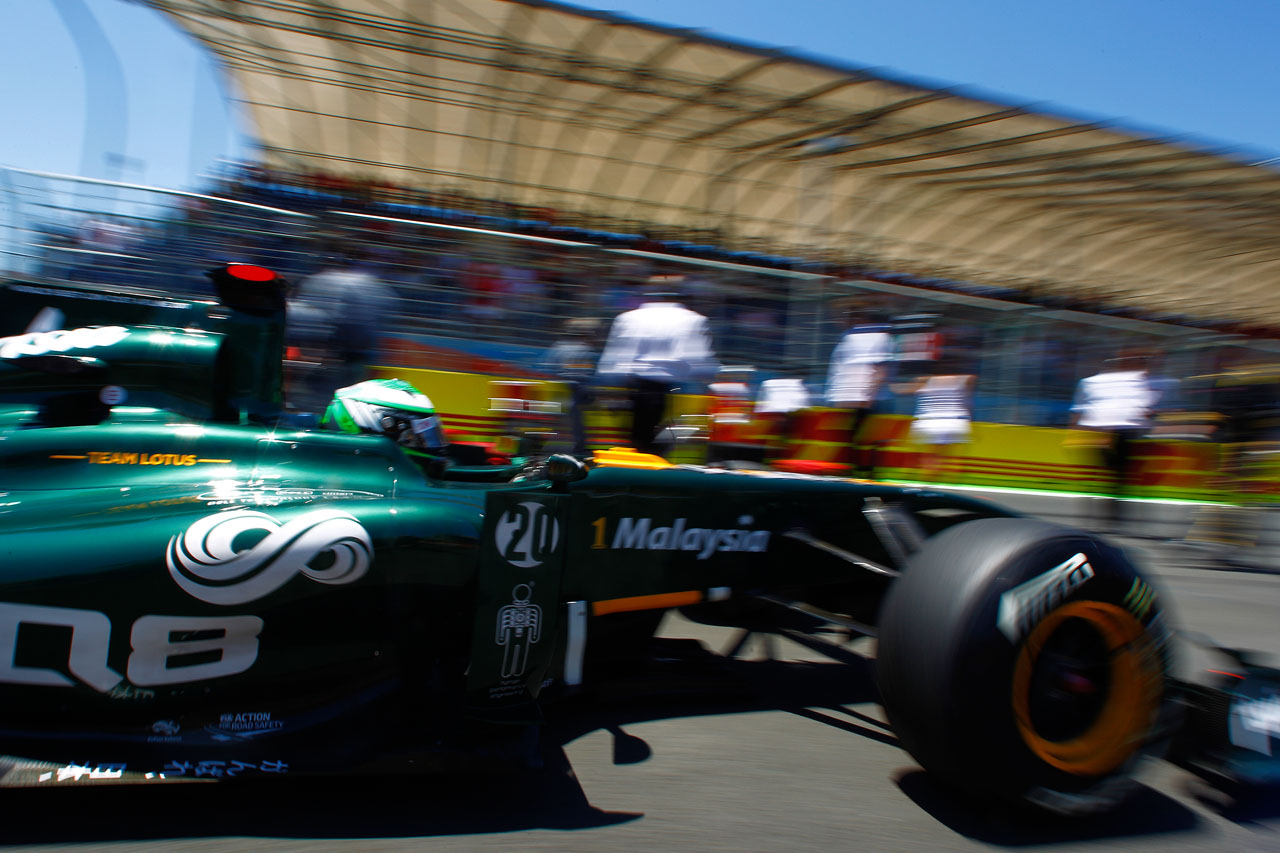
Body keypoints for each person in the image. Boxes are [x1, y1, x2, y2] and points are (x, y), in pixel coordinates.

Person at [596, 275, 719, 455]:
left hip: (629, 386)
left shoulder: (628, 318)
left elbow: (615, 357)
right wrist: (711, 378)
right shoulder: (691, 320)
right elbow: (695, 359)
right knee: (661, 439)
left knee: (636, 439)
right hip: (668, 390)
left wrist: (609, 387)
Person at [287, 240, 396, 415]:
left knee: (313, 404)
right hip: (356, 362)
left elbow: (306, 326)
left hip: (332, 360)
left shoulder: (319, 281)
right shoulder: (380, 288)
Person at [1070, 352, 1161, 527]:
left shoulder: (1090, 382)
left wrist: (1075, 432)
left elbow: (1077, 411)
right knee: (1119, 480)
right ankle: (1112, 519)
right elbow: (1144, 409)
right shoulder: (1136, 382)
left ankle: (1089, 518)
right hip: (1120, 433)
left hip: (1095, 432)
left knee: (1093, 479)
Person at [825, 304, 895, 476]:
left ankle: (866, 474)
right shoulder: (848, 338)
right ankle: (853, 472)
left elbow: (879, 369)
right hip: (848, 396)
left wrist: (869, 395)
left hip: (864, 398)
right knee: (849, 439)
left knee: (866, 440)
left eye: (848, 317)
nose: (842, 321)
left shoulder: (877, 337)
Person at [904, 355, 974, 482]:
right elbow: (970, 386)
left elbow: (906, 390)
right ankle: (948, 486)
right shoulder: (963, 379)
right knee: (946, 457)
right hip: (953, 422)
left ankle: (920, 479)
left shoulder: (923, 380)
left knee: (925, 456)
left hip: (927, 422)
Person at [540, 317, 599, 456]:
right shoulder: (585, 349)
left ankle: (545, 449)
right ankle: (579, 449)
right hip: (574, 393)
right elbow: (585, 375)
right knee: (576, 425)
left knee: (558, 426)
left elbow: (546, 368)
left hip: (556, 392)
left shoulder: (557, 346)